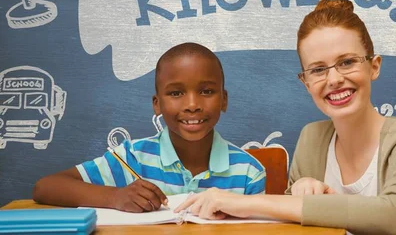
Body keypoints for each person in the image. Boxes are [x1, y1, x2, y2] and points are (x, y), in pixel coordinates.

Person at [175, 0, 396, 235]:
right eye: (318, 70)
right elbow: (293, 221)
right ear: (305, 82)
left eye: (347, 62)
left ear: (373, 67)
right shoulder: (312, 139)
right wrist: (299, 190)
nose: (335, 79)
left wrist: (242, 203)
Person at [33, 42, 266, 212]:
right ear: (157, 104)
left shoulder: (248, 172)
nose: (192, 105)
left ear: (224, 100)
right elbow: (45, 187)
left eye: (206, 91)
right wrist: (115, 197)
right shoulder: (131, 158)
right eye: (176, 93)